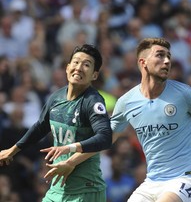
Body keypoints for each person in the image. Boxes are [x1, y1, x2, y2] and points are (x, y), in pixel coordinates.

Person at [40, 38, 191, 202]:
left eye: (169, 56)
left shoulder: (183, 94)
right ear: (142, 62)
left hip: (186, 178)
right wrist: (71, 162)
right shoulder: (127, 101)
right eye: (160, 56)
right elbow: (103, 140)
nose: (167, 60)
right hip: (152, 182)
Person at [0, 44, 112, 202]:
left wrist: (69, 148)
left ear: (94, 75)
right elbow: (41, 126)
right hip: (57, 189)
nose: (79, 68)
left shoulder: (93, 101)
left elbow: (105, 137)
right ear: (67, 68)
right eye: (76, 62)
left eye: (86, 65)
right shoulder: (56, 97)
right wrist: (13, 150)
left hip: (86, 190)